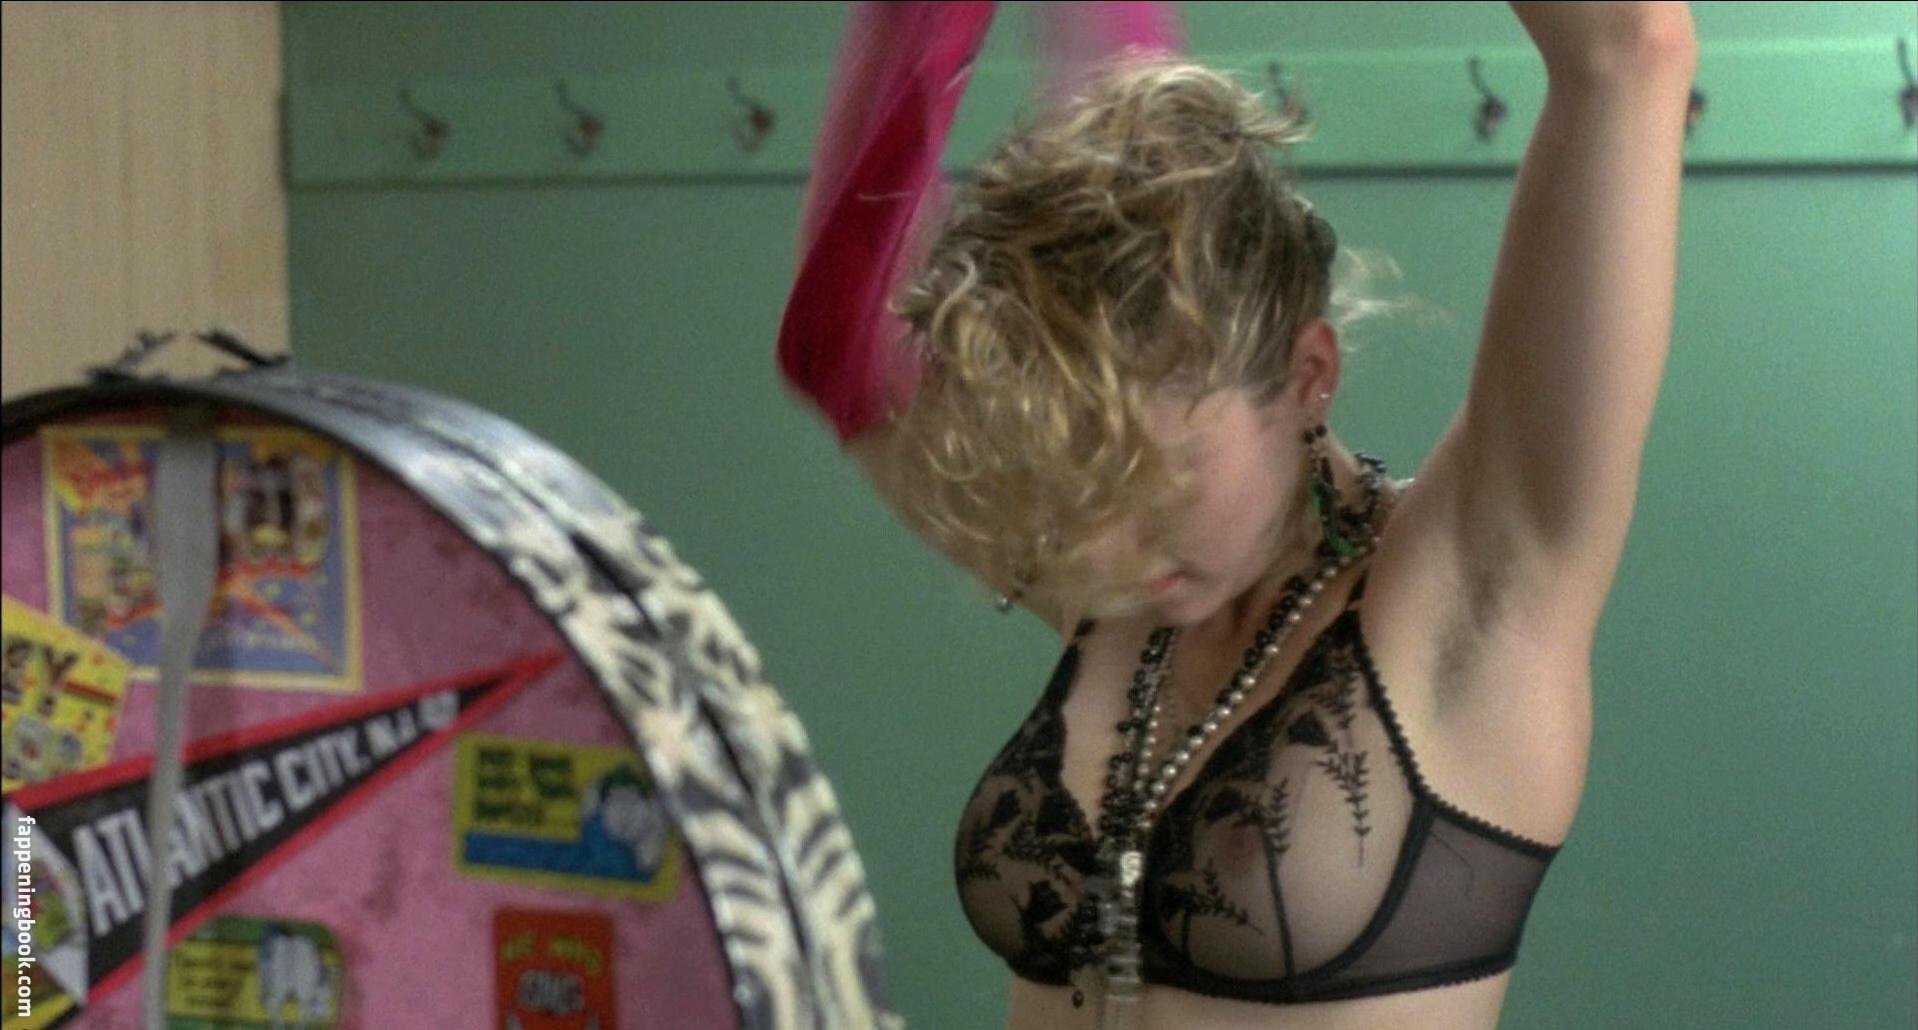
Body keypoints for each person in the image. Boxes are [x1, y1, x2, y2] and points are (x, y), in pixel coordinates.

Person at [777, 3, 1697, 1028]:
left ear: (1308, 374)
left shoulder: (1471, 593)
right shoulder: (1117, 576)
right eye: (1078, 483)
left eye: (1155, 482)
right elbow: (844, 352)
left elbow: (1629, 49)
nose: (1099, 549)